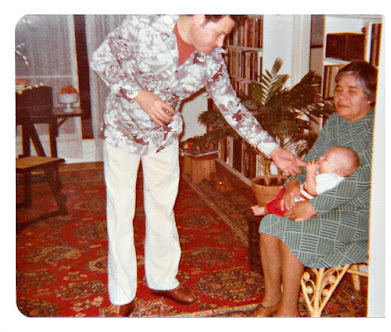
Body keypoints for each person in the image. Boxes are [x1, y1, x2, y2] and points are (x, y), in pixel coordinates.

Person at [90, 15, 305, 316]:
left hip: (164, 138)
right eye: (218, 34)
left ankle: (162, 279)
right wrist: (140, 95)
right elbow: (102, 60)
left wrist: (272, 149)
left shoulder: (212, 60)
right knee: (121, 211)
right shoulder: (144, 24)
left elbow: (233, 107)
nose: (221, 45)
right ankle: (122, 293)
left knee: (162, 209)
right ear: (200, 16)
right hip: (121, 131)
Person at [254, 60, 378, 317]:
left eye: (352, 91)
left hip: (357, 214)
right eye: (339, 88)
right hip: (319, 199)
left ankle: (289, 310)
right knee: (269, 224)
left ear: (371, 98)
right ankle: (272, 297)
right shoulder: (335, 123)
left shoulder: (378, 131)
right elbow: (311, 158)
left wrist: (312, 205)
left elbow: (360, 181)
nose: (341, 96)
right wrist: (294, 184)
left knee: (295, 232)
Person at [251, 146, 359, 217]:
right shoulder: (328, 174)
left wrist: (311, 172)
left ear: (337, 170)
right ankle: (272, 205)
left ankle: (265, 210)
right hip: (301, 195)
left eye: (325, 159)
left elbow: (313, 191)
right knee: (283, 191)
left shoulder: (331, 179)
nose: (320, 158)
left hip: (302, 201)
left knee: (282, 206)